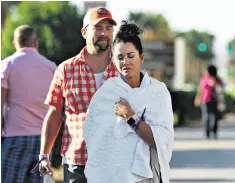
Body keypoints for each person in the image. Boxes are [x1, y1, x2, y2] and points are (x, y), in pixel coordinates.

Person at [84, 21, 174, 183]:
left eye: (130, 56)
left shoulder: (158, 91)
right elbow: (94, 139)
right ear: (113, 61)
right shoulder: (105, 94)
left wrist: (130, 116)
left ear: (142, 57)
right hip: (112, 177)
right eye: (120, 57)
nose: (126, 62)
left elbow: (162, 140)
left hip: (145, 177)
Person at [38, 7, 118, 183]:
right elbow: (54, 114)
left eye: (108, 28)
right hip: (76, 162)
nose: (104, 33)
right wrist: (44, 154)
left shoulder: (123, 71)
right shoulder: (65, 69)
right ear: (84, 32)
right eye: (97, 28)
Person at [1, 25, 56, 183]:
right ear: (35, 42)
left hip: (15, 139)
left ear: (14, 43)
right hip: (44, 143)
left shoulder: (7, 65)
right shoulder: (51, 67)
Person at [194, 64, 224, 139]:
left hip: (215, 100)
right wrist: (197, 99)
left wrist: (214, 82)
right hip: (205, 100)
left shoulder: (217, 79)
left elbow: (221, 88)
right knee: (206, 116)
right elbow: (200, 89)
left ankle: (214, 132)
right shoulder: (204, 78)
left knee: (215, 117)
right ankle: (207, 133)